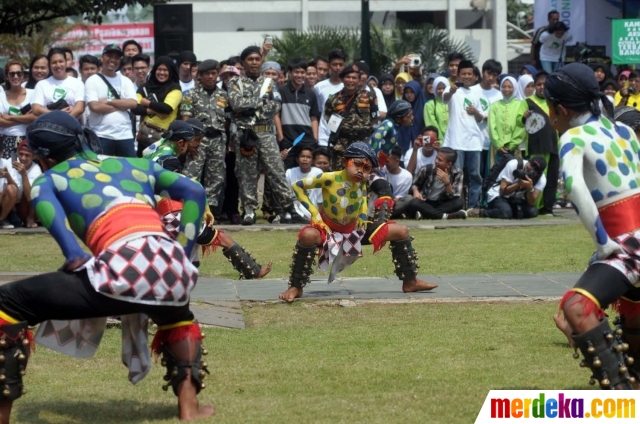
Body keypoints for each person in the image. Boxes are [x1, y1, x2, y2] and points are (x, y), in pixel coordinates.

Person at [0, 111, 216, 421]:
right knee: (176, 316)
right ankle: (189, 407)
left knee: (7, 302)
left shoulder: (50, 180)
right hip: (175, 270)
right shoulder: (138, 165)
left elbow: (71, 250)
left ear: (42, 155)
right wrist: (183, 250)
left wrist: (75, 256)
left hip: (123, 267)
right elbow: (194, 191)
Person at [546, 63, 638, 390]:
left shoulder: (573, 136)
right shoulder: (625, 131)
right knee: (632, 321)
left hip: (625, 245)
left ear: (559, 109)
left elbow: (574, 187)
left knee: (576, 306)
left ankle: (622, 398)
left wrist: (603, 243)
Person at [278, 142, 438, 303]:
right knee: (307, 235)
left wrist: (362, 214)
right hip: (328, 231)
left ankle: (410, 281)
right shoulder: (329, 178)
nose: (361, 171)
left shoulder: (360, 180)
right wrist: (314, 214)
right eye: (357, 164)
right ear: (344, 162)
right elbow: (297, 186)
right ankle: (295, 286)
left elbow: (361, 195)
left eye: (367, 168)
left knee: (401, 230)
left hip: (354, 230)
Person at [156, 154, 273, 278]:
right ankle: (254, 271)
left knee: (181, 252)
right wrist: (207, 211)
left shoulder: (154, 182)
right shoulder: (181, 179)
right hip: (181, 219)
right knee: (224, 239)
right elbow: (197, 187)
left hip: (162, 225)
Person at [227, 45, 297, 226]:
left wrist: (249, 109)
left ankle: (290, 207)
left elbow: (275, 106)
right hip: (245, 135)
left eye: (257, 59)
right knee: (247, 174)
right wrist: (259, 102)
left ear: (261, 61)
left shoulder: (269, 83)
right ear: (243, 62)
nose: (254, 62)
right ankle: (249, 210)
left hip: (266, 134)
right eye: (250, 59)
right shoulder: (235, 83)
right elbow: (236, 104)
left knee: (276, 171)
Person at [180, 59, 229, 217]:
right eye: (206, 73)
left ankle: (212, 210)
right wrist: (189, 141)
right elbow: (186, 119)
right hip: (198, 140)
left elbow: (228, 120)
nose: (210, 76)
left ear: (217, 75)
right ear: (200, 76)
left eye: (213, 73)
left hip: (218, 140)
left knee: (216, 177)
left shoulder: (224, 95)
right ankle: (190, 207)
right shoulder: (191, 95)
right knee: (192, 174)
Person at [443, 60, 484, 209]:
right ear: (458, 75)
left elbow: (481, 119)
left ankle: (473, 206)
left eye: (469, 74)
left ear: (474, 76)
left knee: (475, 175)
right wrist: (451, 92)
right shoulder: (452, 90)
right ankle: (457, 206)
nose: (467, 76)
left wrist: (476, 112)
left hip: (474, 141)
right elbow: (445, 99)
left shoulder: (477, 92)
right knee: (457, 175)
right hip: (456, 141)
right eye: (464, 74)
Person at [85, 43, 138, 157]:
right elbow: (95, 107)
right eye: (109, 56)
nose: (113, 60)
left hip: (125, 135)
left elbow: (133, 103)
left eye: (117, 57)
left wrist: (109, 101)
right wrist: (122, 105)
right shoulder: (92, 80)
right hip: (101, 135)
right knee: (101, 172)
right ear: (102, 57)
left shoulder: (125, 81)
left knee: (129, 171)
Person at [467, 156, 546, 219]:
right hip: (497, 194)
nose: (531, 168)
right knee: (506, 213)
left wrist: (530, 188)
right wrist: (518, 184)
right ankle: (481, 212)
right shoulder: (514, 164)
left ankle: (507, 211)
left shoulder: (541, 179)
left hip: (515, 198)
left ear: (538, 173)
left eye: (536, 169)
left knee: (532, 212)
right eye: (532, 164)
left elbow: (531, 202)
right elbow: (502, 191)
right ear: (529, 161)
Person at [133, 56, 183, 156]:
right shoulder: (144, 88)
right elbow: (134, 107)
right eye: (159, 69)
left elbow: (166, 108)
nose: (161, 73)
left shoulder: (175, 88)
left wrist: (146, 103)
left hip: (165, 138)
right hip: (145, 137)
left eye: (165, 70)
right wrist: (154, 111)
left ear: (171, 72)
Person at [524, 71, 559, 215]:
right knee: (536, 177)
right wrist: (523, 117)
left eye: (545, 85)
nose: (541, 87)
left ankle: (547, 208)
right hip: (536, 146)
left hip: (553, 145)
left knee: (551, 178)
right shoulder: (528, 102)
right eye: (538, 84)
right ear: (534, 86)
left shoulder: (555, 102)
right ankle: (534, 207)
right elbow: (520, 123)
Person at [277, 58, 320, 170]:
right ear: (290, 73)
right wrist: (281, 138)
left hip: (307, 140)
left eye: (302, 72)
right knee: (286, 172)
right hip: (287, 140)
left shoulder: (311, 94)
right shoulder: (281, 91)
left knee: (306, 173)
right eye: (296, 72)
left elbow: (314, 117)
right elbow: (276, 115)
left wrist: (315, 138)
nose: (299, 75)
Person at [406, 147, 465, 220]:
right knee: (413, 202)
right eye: (436, 158)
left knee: (459, 202)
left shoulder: (457, 173)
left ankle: (426, 214)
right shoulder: (426, 169)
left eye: (440, 160)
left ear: (449, 164)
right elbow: (414, 184)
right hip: (425, 201)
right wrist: (415, 191)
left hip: (442, 203)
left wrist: (447, 183)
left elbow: (453, 196)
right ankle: (445, 216)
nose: (436, 161)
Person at [32, 48, 85, 119]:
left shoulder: (77, 83)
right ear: (49, 65)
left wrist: (65, 119)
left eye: (61, 61)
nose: (58, 65)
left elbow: (80, 108)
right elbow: (36, 109)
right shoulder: (41, 84)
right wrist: (57, 115)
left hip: (71, 126)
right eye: (54, 62)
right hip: (49, 127)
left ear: (66, 62)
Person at [471, 59, 503, 176]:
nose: (490, 77)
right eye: (488, 73)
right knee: (475, 175)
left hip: (491, 143)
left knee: (490, 176)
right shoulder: (472, 91)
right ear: (483, 72)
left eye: (494, 75)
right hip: (475, 141)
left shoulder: (499, 95)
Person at [0, 60, 36, 161]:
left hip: (29, 140)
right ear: (7, 76)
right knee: (9, 173)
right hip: (7, 140)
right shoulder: (1, 96)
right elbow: (0, 122)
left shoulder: (33, 93)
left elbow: (35, 117)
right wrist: (25, 117)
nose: (15, 76)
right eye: (12, 74)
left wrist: (10, 117)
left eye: (19, 73)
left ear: (23, 75)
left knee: (28, 174)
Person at [488, 76, 526, 164]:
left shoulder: (520, 105)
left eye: (510, 87)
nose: (506, 89)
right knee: (496, 174)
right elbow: (491, 127)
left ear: (515, 87)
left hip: (514, 147)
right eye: (504, 86)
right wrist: (498, 145)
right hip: (496, 148)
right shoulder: (495, 106)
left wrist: (511, 145)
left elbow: (521, 127)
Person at [314, 50, 346, 147]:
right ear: (329, 66)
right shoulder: (319, 87)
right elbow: (318, 112)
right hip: (324, 139)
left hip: (344, 140)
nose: (337, 68)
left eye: (341, 64)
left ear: (345, 65)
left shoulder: (348, 87)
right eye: (334, 64)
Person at [285, 146, 322, 220]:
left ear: (313, 161)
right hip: (294, 210)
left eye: (308, 157)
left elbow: (320, 198)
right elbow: (287, 195)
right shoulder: (289, 172)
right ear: (297, 159)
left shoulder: (318, 173)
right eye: (302, 156)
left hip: (311, 210)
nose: (305, 159)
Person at [11, 140, 42, 228]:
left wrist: (24, 174)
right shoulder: (10, 163)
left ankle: (30, 217)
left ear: (34, 156)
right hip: (10, 202)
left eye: (27, 155)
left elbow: (30, 196)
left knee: (36, 192)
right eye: (21, 154)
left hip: (25, 204)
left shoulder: (36, 170)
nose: (23, 158)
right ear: (17, 153)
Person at [383, 145, 413, 218]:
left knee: (409, 198)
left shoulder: (407, 176)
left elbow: (401, 196)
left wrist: (393, 201)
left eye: (388, 161)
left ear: (397, 161)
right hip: (382, 201)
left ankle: (387, 214)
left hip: (395, 204)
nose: (386, 164)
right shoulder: (382, 170)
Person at [398, 81, 427, 154]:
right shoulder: (400, 107)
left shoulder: (424, 107)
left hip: (420, 144)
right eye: (407, 92)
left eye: (412, 92)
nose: (409, 95)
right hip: (403, 142)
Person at [424, 76, 450, 141]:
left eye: (444, 88)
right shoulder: (429, 105)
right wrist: (441, 140)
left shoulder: (452, 103)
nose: (441, 91)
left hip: (454, 139)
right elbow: (431, 124)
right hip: (438, 141)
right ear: (435, 89)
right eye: (439, 88)